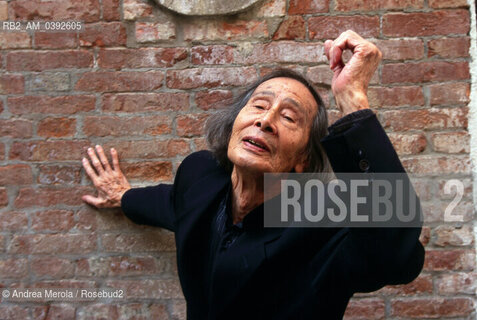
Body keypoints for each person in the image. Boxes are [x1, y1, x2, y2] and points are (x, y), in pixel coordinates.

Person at [81, 30, 424, 319]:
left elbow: (396, 255)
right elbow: (171, 203)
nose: (266, 120)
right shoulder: (201, 176)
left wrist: (352, 98)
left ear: (303, 159)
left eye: (289, 117)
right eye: (259, 105)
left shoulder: (320, 223)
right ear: (235, 124)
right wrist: (123, 196)